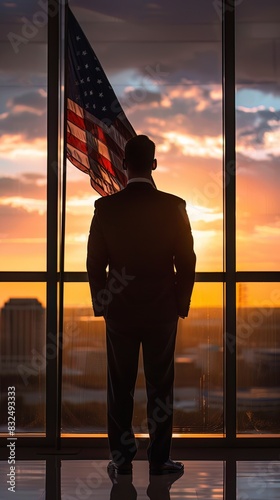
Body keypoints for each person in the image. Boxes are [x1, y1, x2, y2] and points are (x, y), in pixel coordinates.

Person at [87, 135, 196, 476]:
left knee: (119, 386)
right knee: (160, 387)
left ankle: (122, 461)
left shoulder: (106, 209)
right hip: (161, 312)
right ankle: (159, 460)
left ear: (123, 164)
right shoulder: (174, 206)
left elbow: (94, 263)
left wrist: (103, 304)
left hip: (120, 313)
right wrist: (180, 304)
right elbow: (187, 261)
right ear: (154, 165)